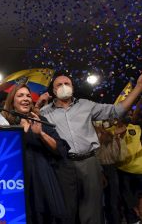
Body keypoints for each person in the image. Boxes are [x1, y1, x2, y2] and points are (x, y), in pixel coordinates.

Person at [39, 74, 142, 223]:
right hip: (63, 164)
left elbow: (117, 111)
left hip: (89, 162)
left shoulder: (86, 105)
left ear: (72, 87)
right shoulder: (45, 112)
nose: (63, 87)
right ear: (53, 91)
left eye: (67, 83)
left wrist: (138, 87)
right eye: (59, 85)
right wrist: (38, 105)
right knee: (67, 211)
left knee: (93, 211)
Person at [3, 83, 69, 223]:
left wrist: (41, 134)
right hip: (16, 183)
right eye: (20, 95)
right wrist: (22, 132)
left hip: (43, 180)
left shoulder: (40, 120)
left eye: (28, 95)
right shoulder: (4, 122)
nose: (26, 98)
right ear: (12, 101)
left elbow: (60, 149)